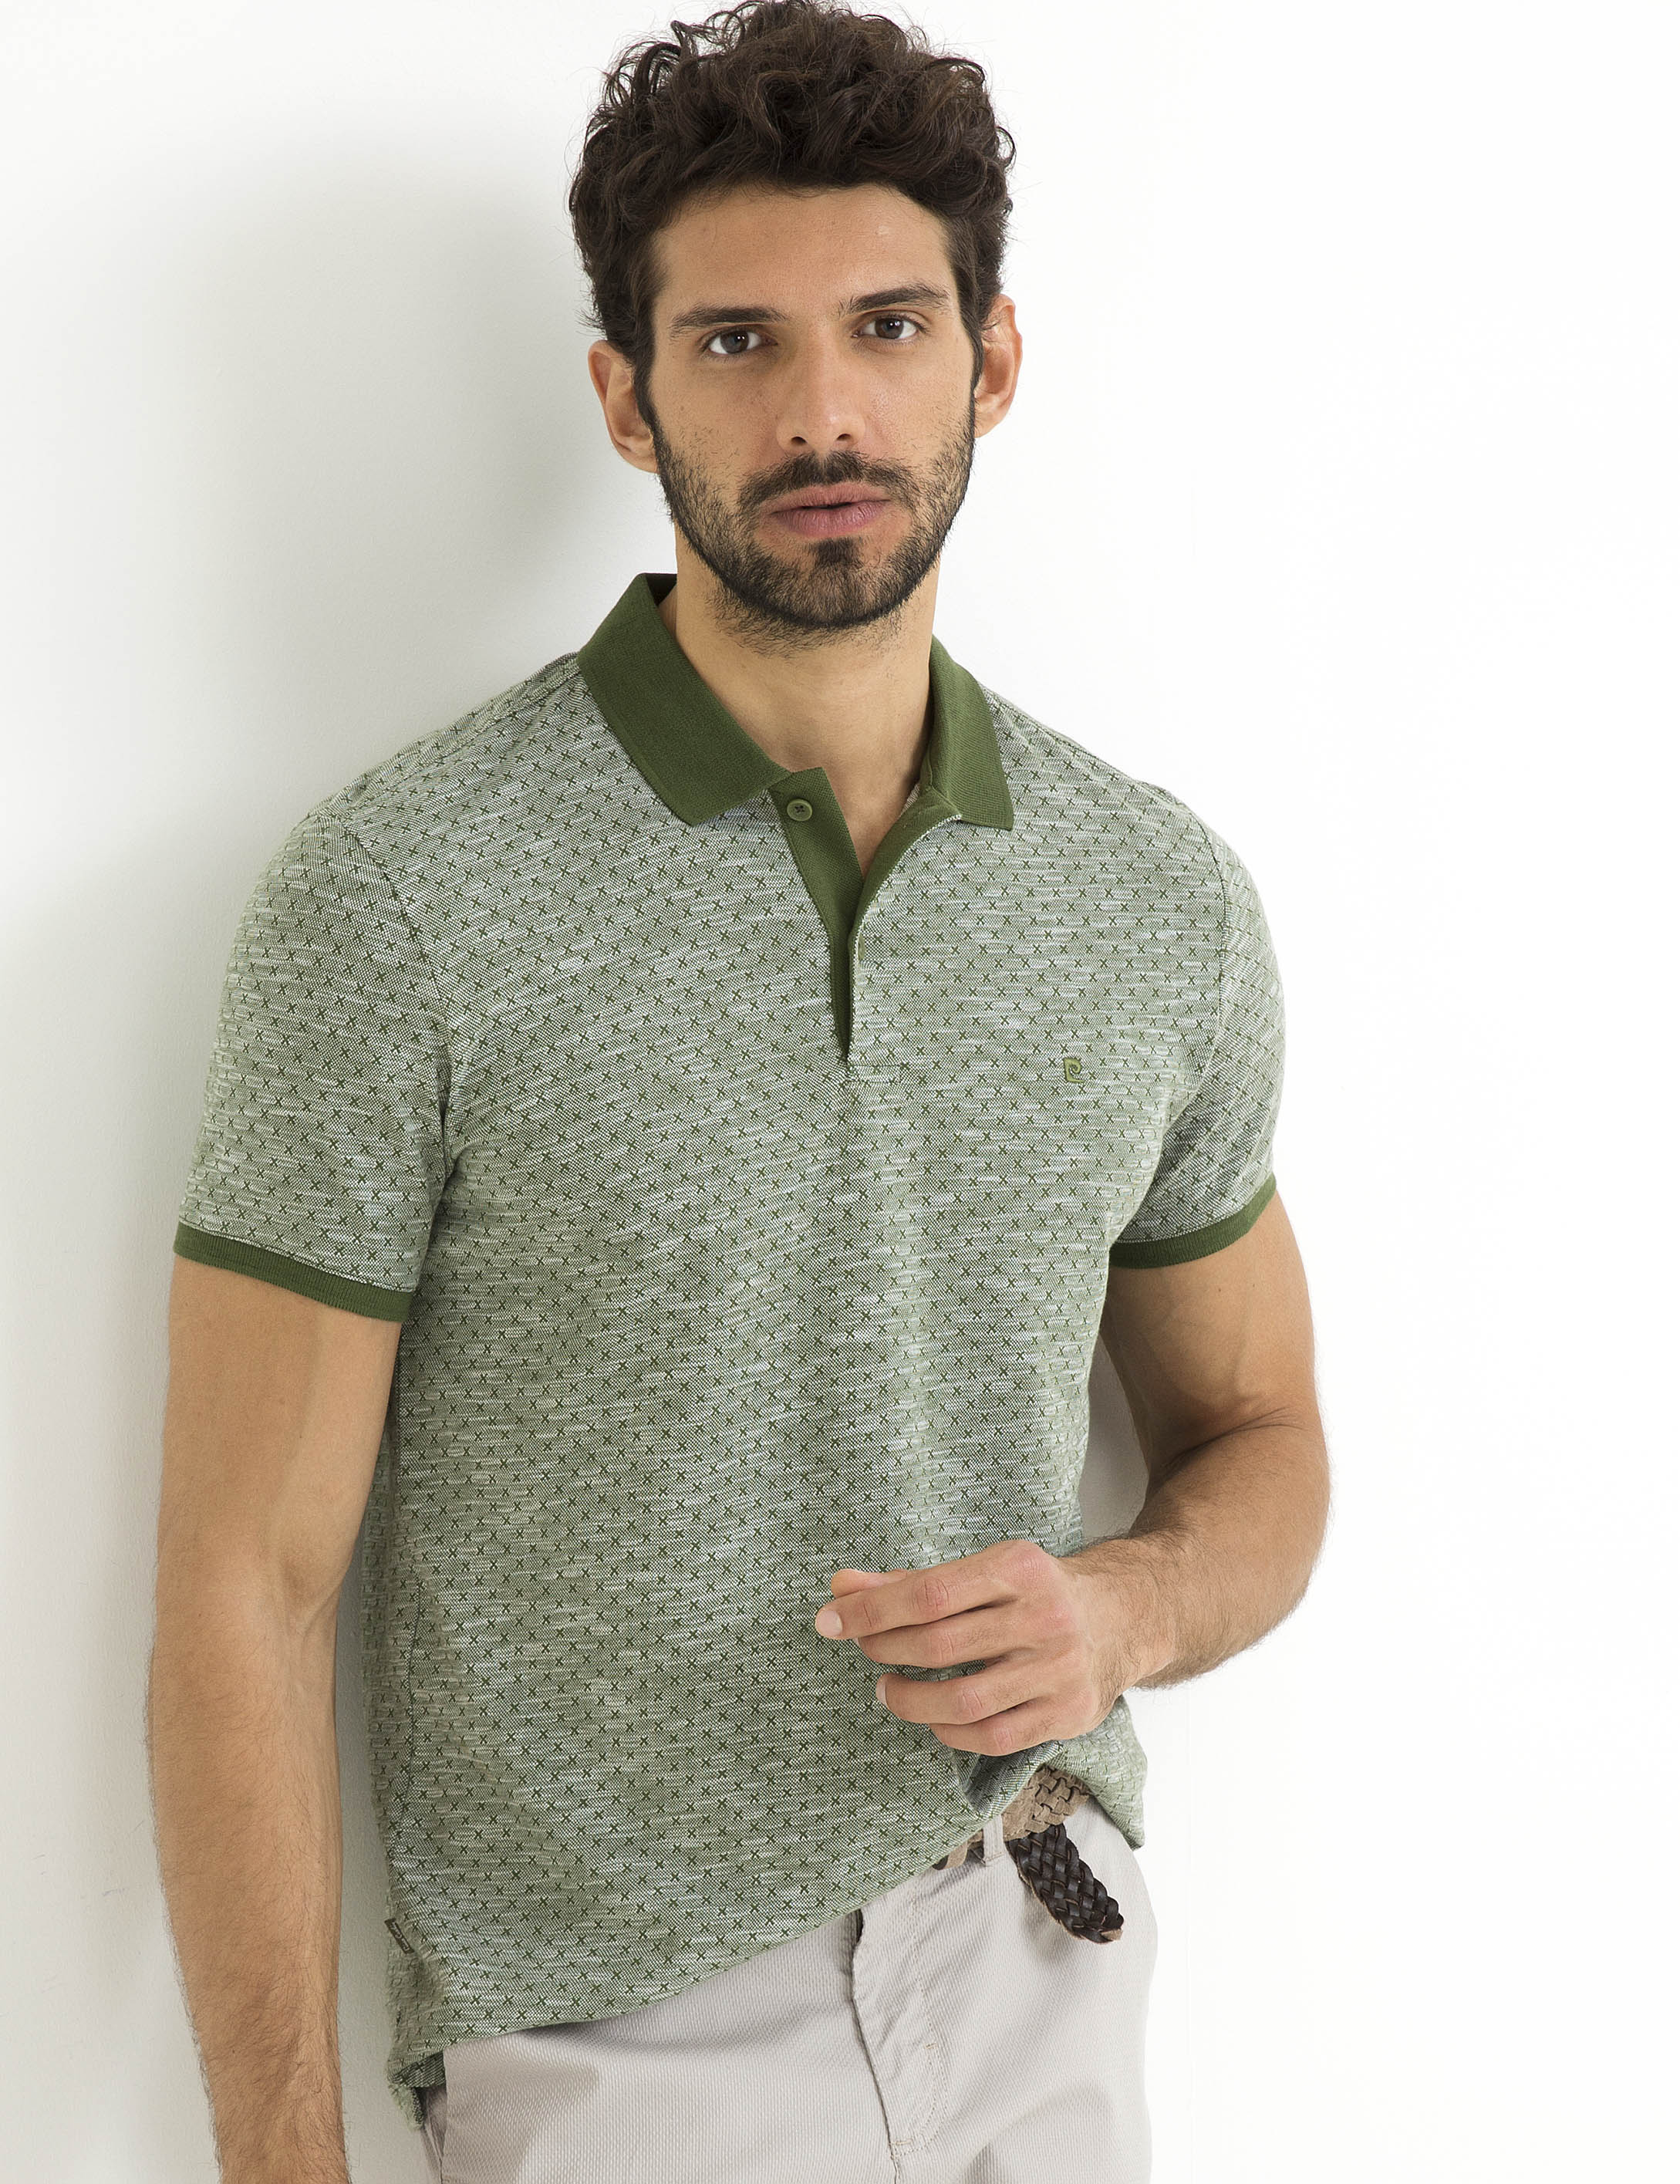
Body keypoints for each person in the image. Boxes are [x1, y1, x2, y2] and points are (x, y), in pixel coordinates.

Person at [146, 3, 1331, 2179]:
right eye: (734, 343)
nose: (822, 412)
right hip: (618, 2047)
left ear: (990, 359)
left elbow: (1259, 1436)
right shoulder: (401, 897)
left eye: (888, 326)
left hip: (1040, 1958)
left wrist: (1121, 1614)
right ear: (626, 395)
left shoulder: (1153, 899)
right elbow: (247, 1585)